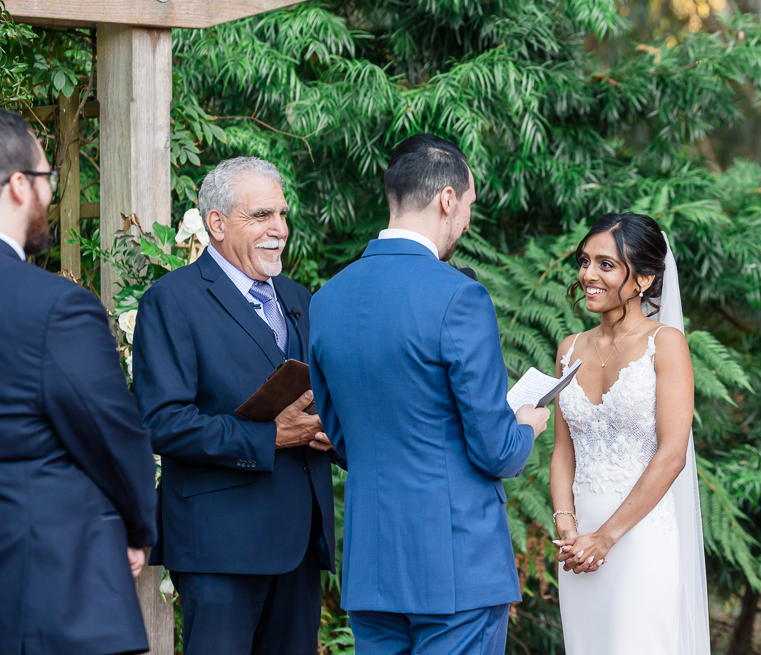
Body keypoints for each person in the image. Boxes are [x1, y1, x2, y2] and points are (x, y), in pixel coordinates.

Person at [308, 133, 550, 655]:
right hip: (456, 563)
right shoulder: (459, 297)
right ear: (447, 199)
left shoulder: (327, 300)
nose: (466, 221)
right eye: (468, 206)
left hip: (373, 568)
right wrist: (527, 424)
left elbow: (341, 439)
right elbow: (495, 449)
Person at [133, 157, 336, 655]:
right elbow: (161, 423)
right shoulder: (171, 300)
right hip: (219, 547)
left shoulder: (299, 298)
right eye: (262, 216)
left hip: (300, 545)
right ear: (217, 224)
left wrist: (335, 431)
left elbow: (321, 393)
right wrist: (270, 437)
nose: (279, 230)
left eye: (283, 215)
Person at [0, 108, 157, 654]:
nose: (50, 193)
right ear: (19, 186)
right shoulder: (52, 307)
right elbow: (110, 434)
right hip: (39, 588)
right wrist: (138, 528)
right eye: (47, 179)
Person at [550, 212, 711, 654]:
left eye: (606, 264)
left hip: (638, 537)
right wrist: (567, 526)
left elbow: (672, 454)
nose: (588, 275)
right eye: (585, 261)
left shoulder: (667, 344)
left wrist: (607, 536)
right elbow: (564, 452)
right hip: (579, 545)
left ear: (642, 278)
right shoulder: (569, 349)